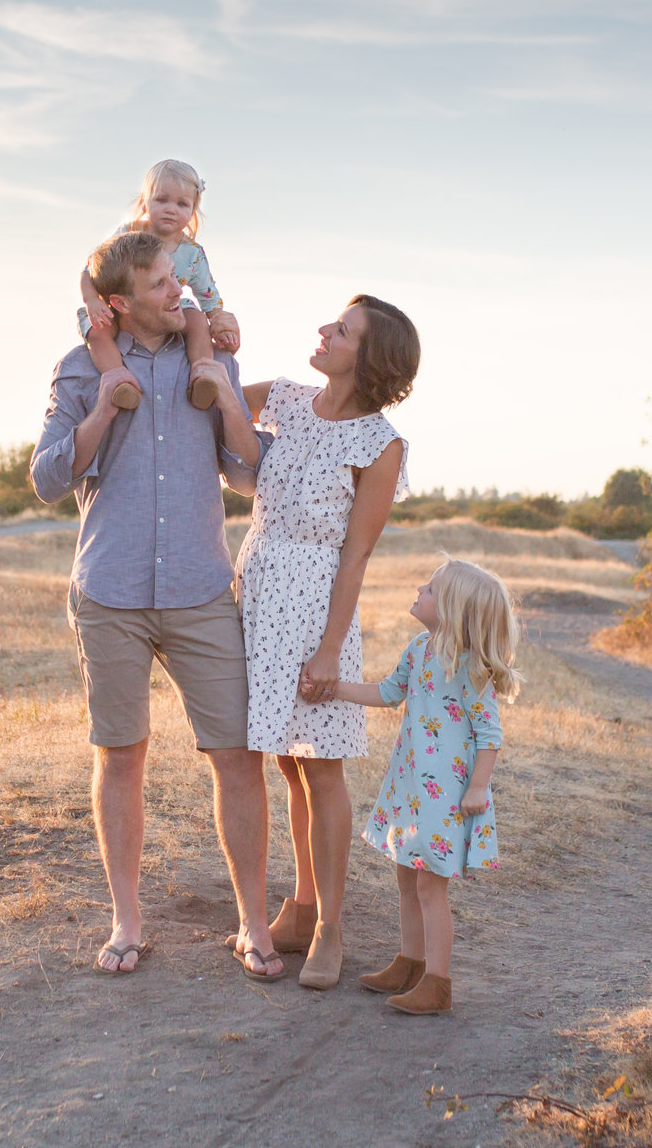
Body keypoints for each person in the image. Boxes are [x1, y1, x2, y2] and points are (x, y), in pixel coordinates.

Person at [30, 229, 285, 980]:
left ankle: (251, 926)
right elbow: (47, 478)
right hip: (109, 590)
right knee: (121, 756)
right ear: (118, 302)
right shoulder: (80, 369)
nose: (178, 292)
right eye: (160, 285)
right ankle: (127, 923)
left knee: (238, 757)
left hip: (201, 589)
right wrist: (104, 411)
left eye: (177, 278)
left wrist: (234, 403)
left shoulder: (213, 361)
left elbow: (246, 475)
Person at [234, 295, 418, 991]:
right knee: (285, 759)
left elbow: (357, 556)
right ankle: (301, 902)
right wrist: (208, 330)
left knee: (324, 766)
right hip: (259, 591)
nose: (323, 331)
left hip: (317, 609)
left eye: (341, 330)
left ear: (367, 358)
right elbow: (213, 397)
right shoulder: (284, 396)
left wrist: (329, 648)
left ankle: (331, 925)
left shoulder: (381, 443)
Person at [303, 559, 523, 1016]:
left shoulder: (471, 669)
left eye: (430, 588)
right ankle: (410, 962)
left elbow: (490, 736)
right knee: (406, 875)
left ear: (451, 610)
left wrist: (479, 787)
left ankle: (437, 982)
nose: (419, 590)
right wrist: (334, 688)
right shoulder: (420, 649)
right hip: (413, 788)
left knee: (429, 887)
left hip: (449, 797)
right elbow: (387, 693)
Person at [77, 161, 239, 413]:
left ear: (193, 210)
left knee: (196, 320)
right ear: (145, 202)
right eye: (162, 200)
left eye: (182, 204)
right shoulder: (128, 234)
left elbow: (208, 297)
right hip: (121, 302)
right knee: (98, 331)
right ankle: (119, 382)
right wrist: (92, 300)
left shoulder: (192, 253)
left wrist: (218, 321)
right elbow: (91, 269)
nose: (170, 210)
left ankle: (203, 376)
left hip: (172, 306)